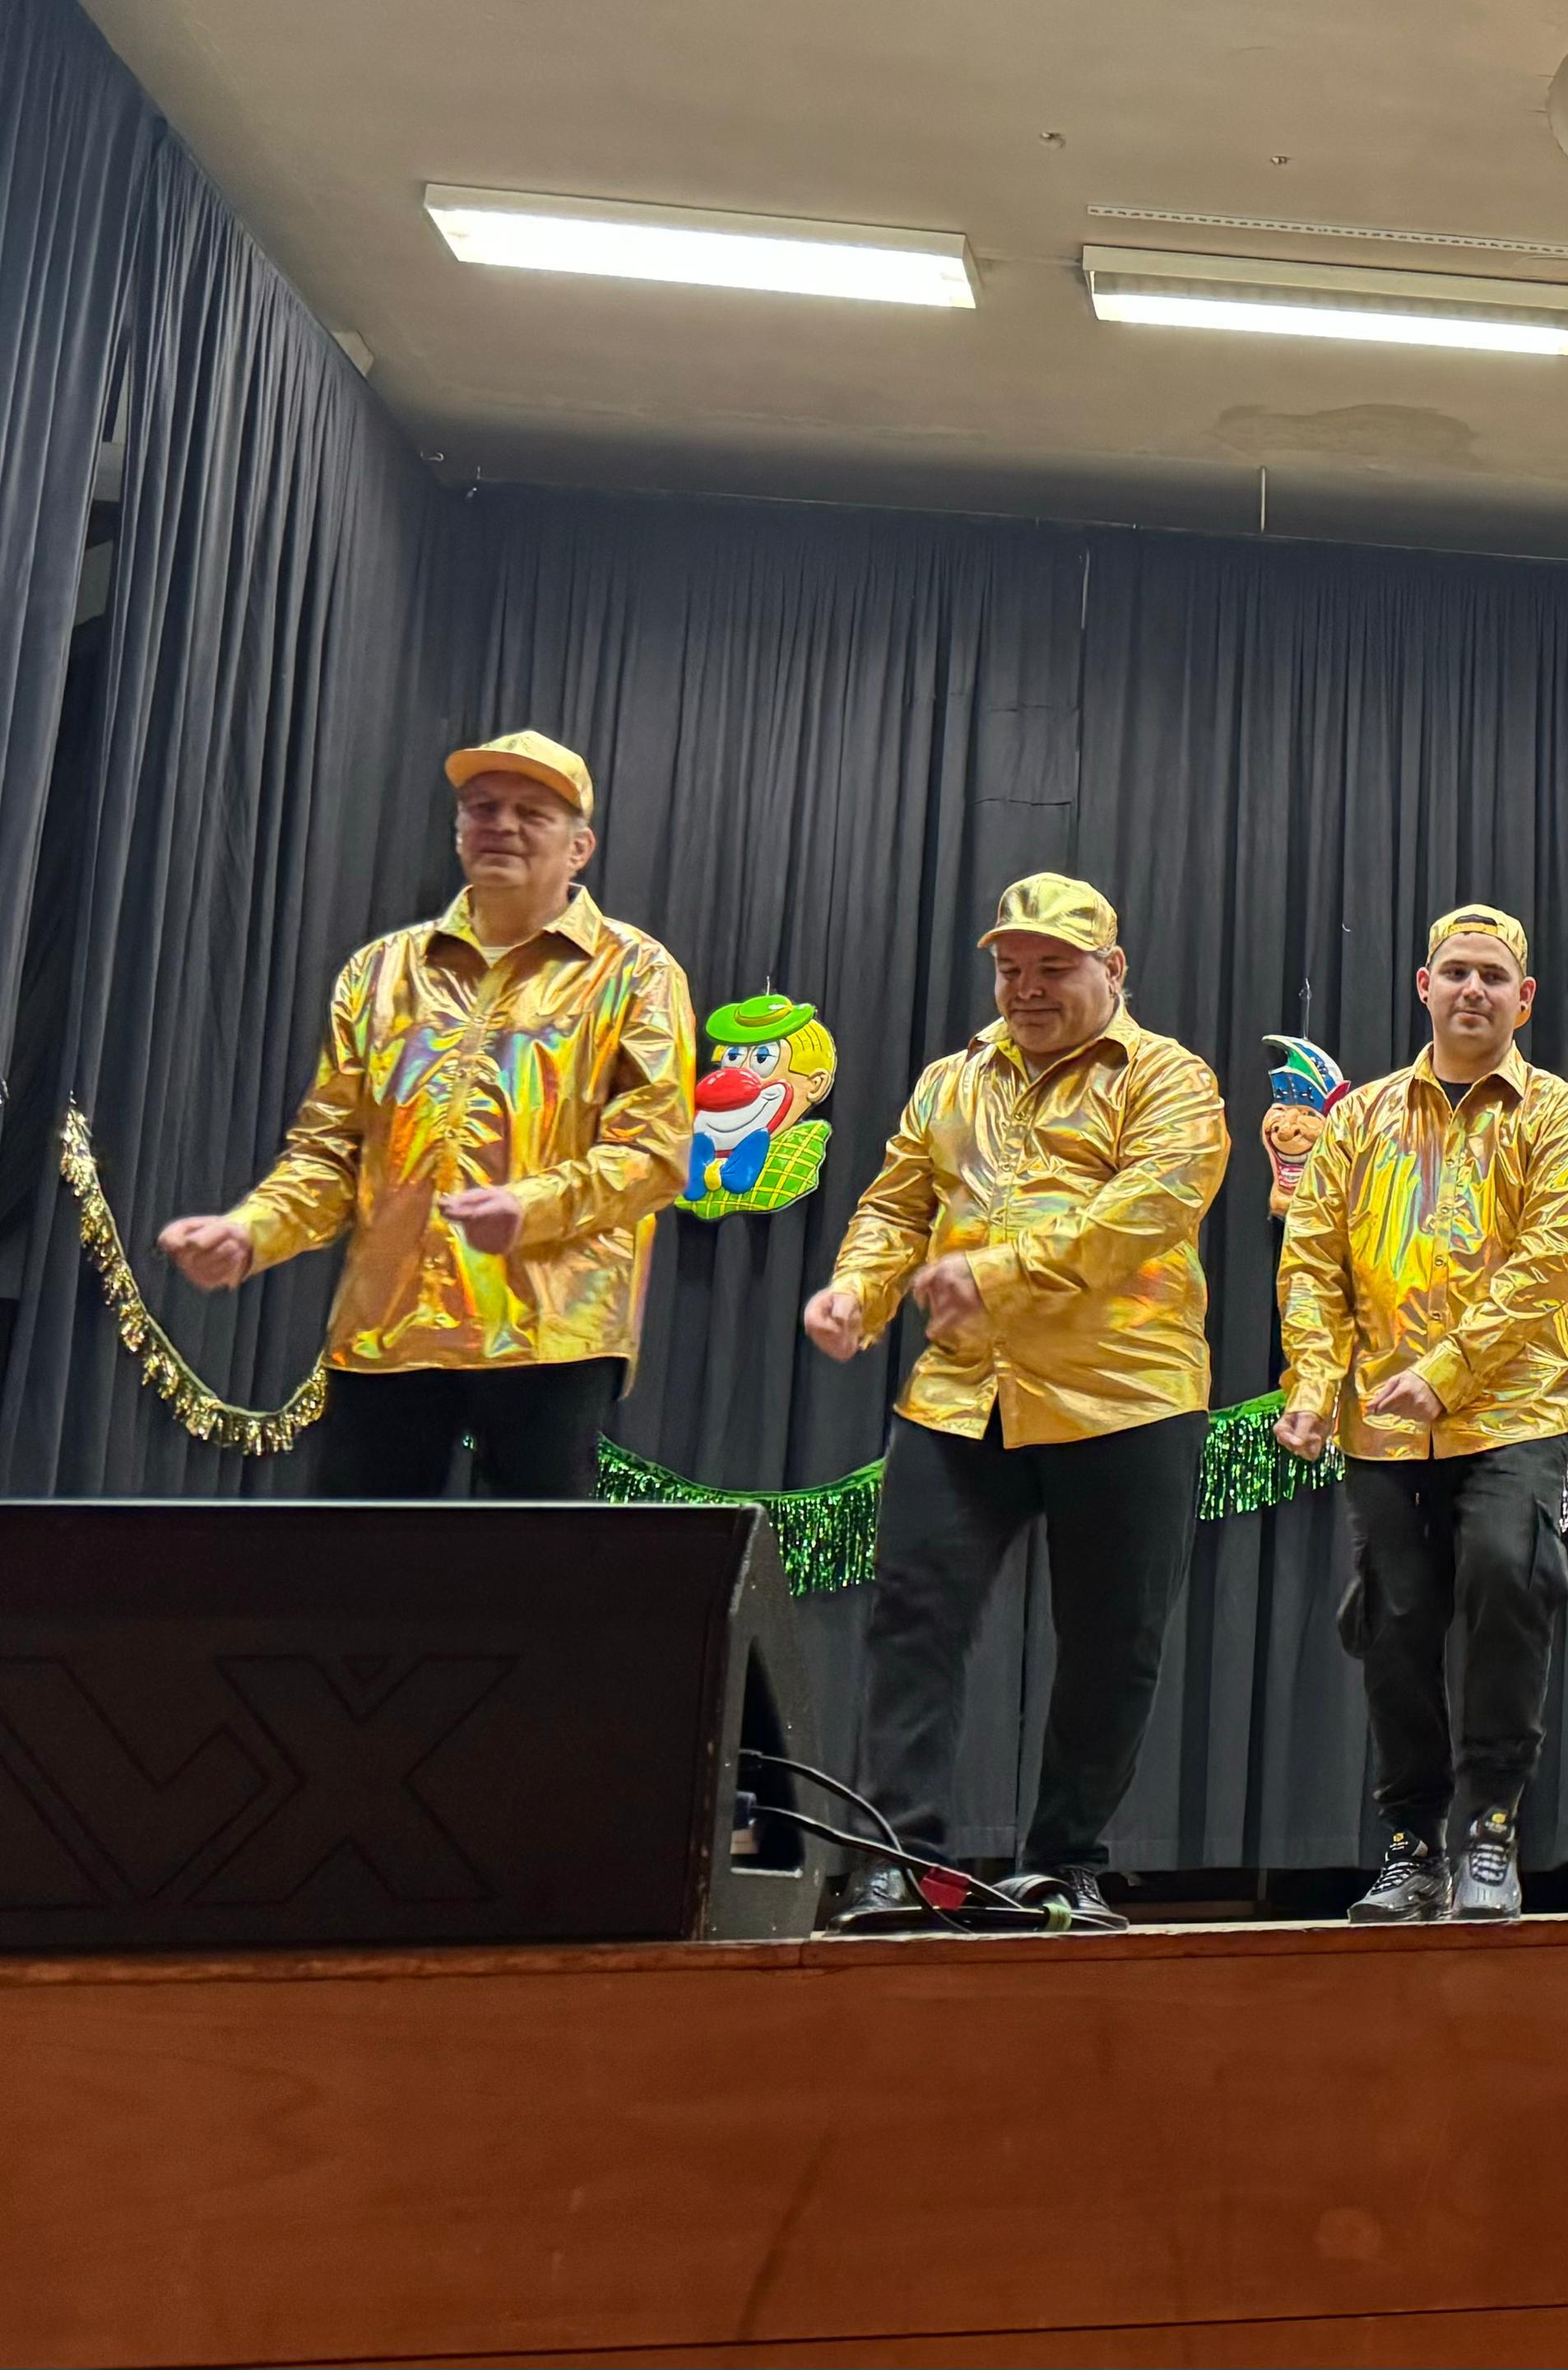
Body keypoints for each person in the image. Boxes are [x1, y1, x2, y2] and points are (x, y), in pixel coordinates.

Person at [802, 875, 1228, 1933]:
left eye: (1053, 968)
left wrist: (996, 1273)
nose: (1026, 989)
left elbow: (1147, 1211)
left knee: (1111, 1643)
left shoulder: (1171, 1079)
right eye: (1010, 969)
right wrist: (858, 1288)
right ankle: (897, 1862)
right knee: (913, 1618)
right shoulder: (951, 1080)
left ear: (1111, 970)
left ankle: (1062, 1866)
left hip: (1126, 1395)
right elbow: (897, 1203)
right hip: (961, 1394)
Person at [158, 731, 693, 1499]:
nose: (501, 825)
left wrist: (529, 1207)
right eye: (482, 807)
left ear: (580, 848)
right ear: (458, 830)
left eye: (530, 812)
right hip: (387, 1326)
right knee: (359, 1562)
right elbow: (330, 1151)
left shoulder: (636, 971)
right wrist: (251, 1232)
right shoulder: (379, 972)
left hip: (548, 1330)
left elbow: (654, 1155)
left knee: (534, 1566)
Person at [1276, 905, 1568, 1926]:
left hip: (1512, 1407)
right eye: (1455, 971)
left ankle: (1491, 1826)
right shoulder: (1358, 1119)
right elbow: (1312, 1263)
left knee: (1506, 1571)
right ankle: (1413, 1844)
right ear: (1423, 985)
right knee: (1395, 1618)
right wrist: (1311, 1385)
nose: (1473, 989)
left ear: (1524, 999)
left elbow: (1552, 1259)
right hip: (1382, 1418)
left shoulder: (1560, 1115)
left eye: (1492, 977)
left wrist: (1449, 1370)